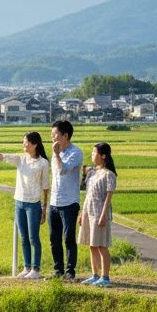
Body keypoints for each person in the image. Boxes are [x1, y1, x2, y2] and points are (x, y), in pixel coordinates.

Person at [0, 132, 50, 279]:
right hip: (19, 202)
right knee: (24, 237)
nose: (24, 145)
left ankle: (36, 269)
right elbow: (1, 156)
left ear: (35, 144)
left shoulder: (43, 163)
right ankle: (27, 267)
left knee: (34, 238)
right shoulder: (20, 159)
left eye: (26, 143)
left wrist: (44, 208)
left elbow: (45, 187)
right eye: (23, 142)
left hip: (34, 204)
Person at [48, 120, 84, 280]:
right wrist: (56, 154)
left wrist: (56, 154)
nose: (52, 138)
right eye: (51, 135)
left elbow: (63, 171)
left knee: (68, 238)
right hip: (54, 201)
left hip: (69, 203)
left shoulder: (75, 152)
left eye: (55, 135)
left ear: (65, 135)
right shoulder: (56, 153)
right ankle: (58, 271)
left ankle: (70, 272)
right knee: (54, 239)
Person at [78, 143, 117, 287]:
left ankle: (105, 277)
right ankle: (95, 275)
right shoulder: (93, 173)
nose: (92, 155)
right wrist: (82, 213)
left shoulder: (109, 175)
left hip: (100, 212)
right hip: (89, 211)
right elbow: (88, 195)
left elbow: (108, 197)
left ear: (103, 156)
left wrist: (103, 215)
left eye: (94, 153)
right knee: (91, 244)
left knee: (102, 246)